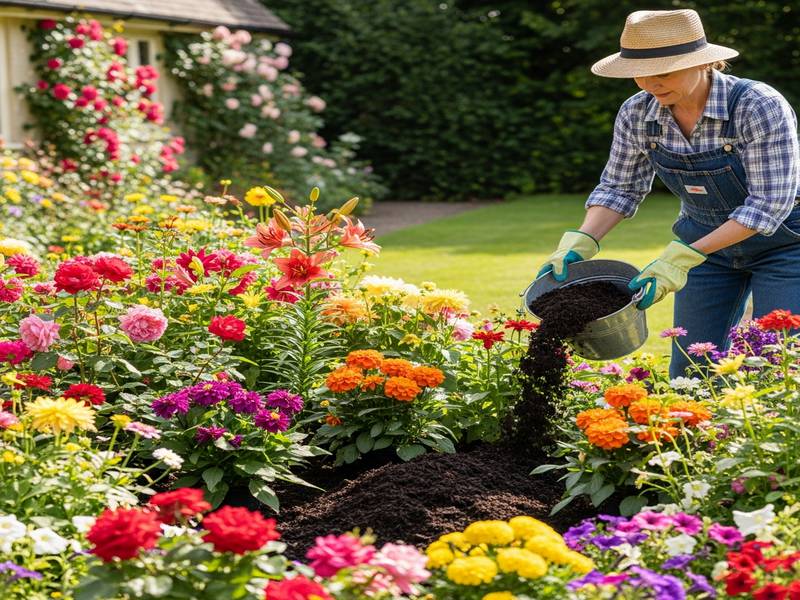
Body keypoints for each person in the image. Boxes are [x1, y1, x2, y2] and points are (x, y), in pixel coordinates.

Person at [537, 9, 800, 377]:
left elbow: (769, 205)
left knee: (779, 365)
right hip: (704, 248)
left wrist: (681, 258)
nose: (651, 83)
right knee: (690, 371)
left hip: (785, 247)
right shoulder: (637, 113)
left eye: (664, 72)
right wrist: (581, 239)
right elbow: (619, 186)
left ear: (703, 64)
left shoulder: (757, 106)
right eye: (639, 74)